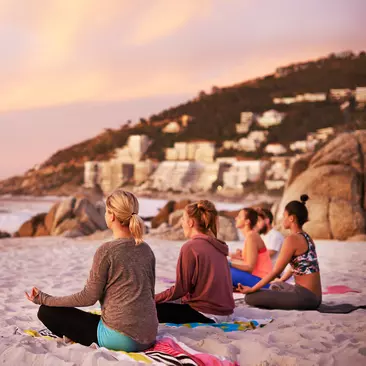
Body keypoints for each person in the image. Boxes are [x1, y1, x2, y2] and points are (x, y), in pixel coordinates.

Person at [25, 189, 158, 351]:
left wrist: (45, 299)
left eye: (106, 211)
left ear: (112, 216)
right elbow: (150, 294)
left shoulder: (107, 250)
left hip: (121, 338)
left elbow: (88, 298)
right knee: (94, 318)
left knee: (46, 312)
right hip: (149, 335)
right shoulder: (146, 249)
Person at [155, 200, 235, 324]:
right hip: (226, 313)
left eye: (183, 218)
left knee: (150, 309)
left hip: (206, 314)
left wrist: (154, 298)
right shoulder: (218, 245)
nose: (181, 223)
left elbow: (180, 289)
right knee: (169, 302)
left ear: (191, 222)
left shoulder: (190, 247)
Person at [238, 195, 322, 310]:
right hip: (315, 297)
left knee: (250, 297)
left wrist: (252, 289)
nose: (283, 219)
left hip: (305, 297)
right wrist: (281, 280)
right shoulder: (307, 237)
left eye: (284, 216)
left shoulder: (291, 239)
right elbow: (297, 267)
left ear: (291, 218)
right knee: (277, 285)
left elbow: (276, 270)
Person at [229, 208, 273, 288]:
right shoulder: (250, 236)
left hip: (262, 281)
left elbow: (249, 267)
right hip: (258, 278)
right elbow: (250, 262)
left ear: (247, 221)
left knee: (226, 270)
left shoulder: (251, 237)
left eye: (239, 217)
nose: (236, 218)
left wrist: (229, 263)